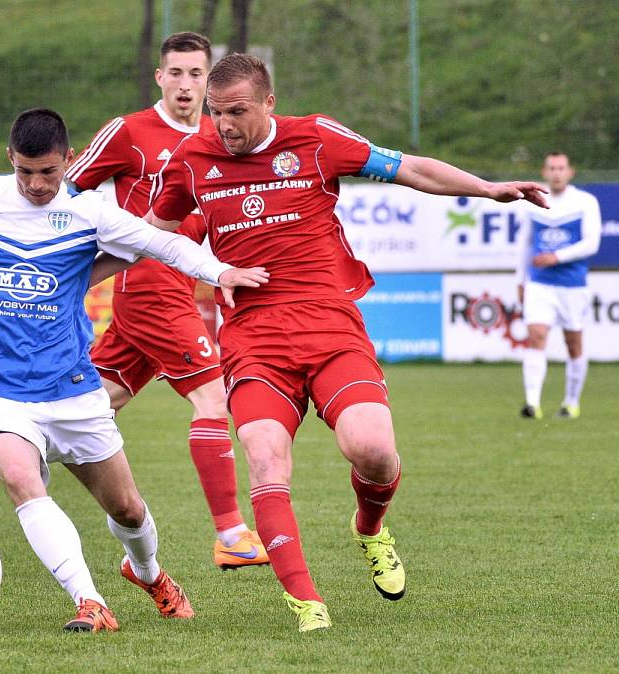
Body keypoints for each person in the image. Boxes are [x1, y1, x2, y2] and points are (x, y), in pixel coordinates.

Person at [142, 53, 548, 632]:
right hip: (254, 339)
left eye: (237, 112)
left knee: (375, 451)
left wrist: (487, 189)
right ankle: (308, 604)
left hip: (330, 328)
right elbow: (152, 236)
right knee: (263, 455)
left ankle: (369, 528)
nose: (224, 124)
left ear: (269, 103)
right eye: (215, 112)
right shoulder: (192, 159)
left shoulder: (315, 139)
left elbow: (413, 169)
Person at [0, 108, 268, 633]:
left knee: (127, 510)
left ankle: (148, 574)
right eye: (26, 172)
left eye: (49, 173)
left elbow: (163, 243)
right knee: (21, 476)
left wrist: (221, 272)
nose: (37, 185)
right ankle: (89, 601)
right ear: (10, 159)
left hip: (72, 390)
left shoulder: (91, 211)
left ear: (70, 160)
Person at [63, 32, 268, 570]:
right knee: (214, 400)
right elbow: (66, 189)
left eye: (195, 74)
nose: (184, 84)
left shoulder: (216, 136)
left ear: (209, 80)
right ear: (160, 77)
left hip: (175, 284)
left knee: (90, 407)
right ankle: (230, 534)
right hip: (148, 284)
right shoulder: (129, 131)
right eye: (175, 73)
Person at [516, 152, 602, 420]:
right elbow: (524, 245)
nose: (556, 173)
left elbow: (592, 243)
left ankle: (571, 402)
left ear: (570, 171)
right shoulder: (533, 203)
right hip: (540, 284)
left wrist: (557, 257)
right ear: (544, 172)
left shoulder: (585, 202)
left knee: (573, 343)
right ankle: (532, 403)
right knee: (536, 337)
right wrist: (520, 280)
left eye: (561, 168)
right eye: (552, 168)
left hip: (573, 285)